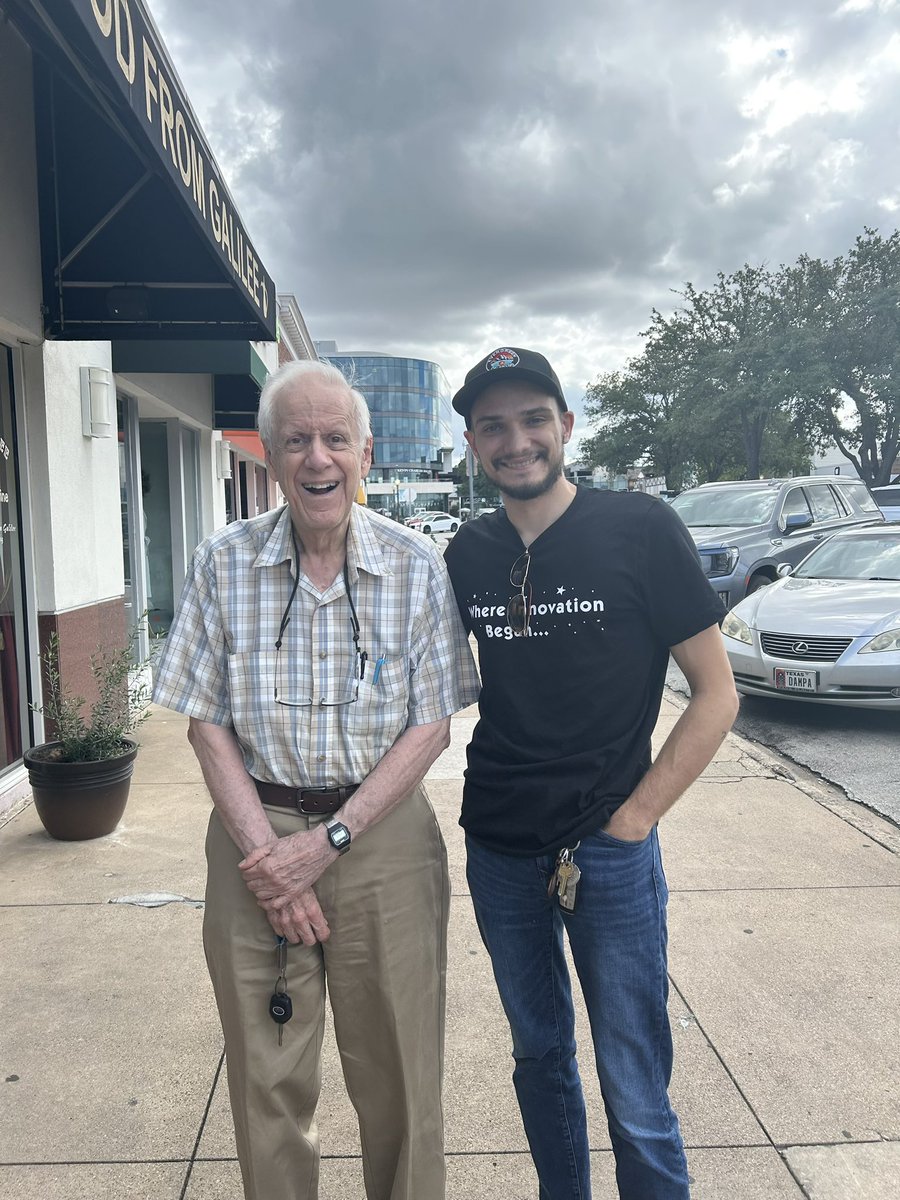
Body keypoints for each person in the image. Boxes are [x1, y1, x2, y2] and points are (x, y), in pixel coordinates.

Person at [152, 359, 480, 1200]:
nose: (317, 458)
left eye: (335, 438)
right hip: (254, 837)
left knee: (401, 1071)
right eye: (296, 439)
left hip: (382, 841)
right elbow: (205, 721)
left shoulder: (415, 565)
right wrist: (270, 858)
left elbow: (431, 724)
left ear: (366, 453)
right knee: (267, 1078)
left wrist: (329, 844)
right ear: (269, 454)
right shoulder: (222, 562)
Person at [443, 346, 739, 1200]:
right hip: (498, 847)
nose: (517, 440)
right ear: (472, 443)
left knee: (634, 1079)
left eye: (534, 418)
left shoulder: (640, 529)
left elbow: (716, 697)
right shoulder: (468, 550)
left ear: (566, 427)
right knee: (539, 1056)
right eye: (493, 425)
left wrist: (635, 820)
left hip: (607, 851)